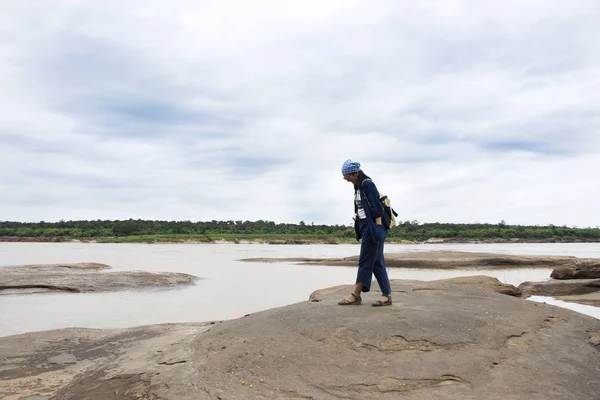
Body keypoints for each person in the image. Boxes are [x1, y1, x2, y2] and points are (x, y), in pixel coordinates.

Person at [338, 159, 392, 307]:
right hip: (364, 225)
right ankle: (386, 295)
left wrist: (378, 228)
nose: (345, 178)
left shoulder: (367, 184)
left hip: (372, 226)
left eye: (347, 175)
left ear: (356, 173)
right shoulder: (357, 186)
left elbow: (376, 207)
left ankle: (355, 295)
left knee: (365, 261)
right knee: (377, 263)